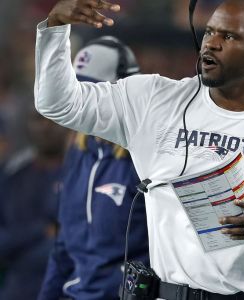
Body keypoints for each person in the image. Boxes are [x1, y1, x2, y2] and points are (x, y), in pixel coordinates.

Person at [34, 0, 244, 298]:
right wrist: (56, 26)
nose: (210, 43)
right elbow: (58, 103)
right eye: (209, 31)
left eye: (228, 36)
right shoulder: (153, 101)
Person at [37, 36, 149, 300]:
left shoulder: (145, 157)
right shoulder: (79, 150)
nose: (83, 102)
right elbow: (63, 247)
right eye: (77, 92)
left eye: (92, 92)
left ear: (124, 92)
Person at [0, 108, 69, 299]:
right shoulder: (12, 177)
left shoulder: (81, 176)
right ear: (28, 125)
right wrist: (41, 230)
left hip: (66, 288)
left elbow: (73, 243)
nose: (45, 126)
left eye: (53, 119)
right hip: (18, 288)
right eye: (38, 119)